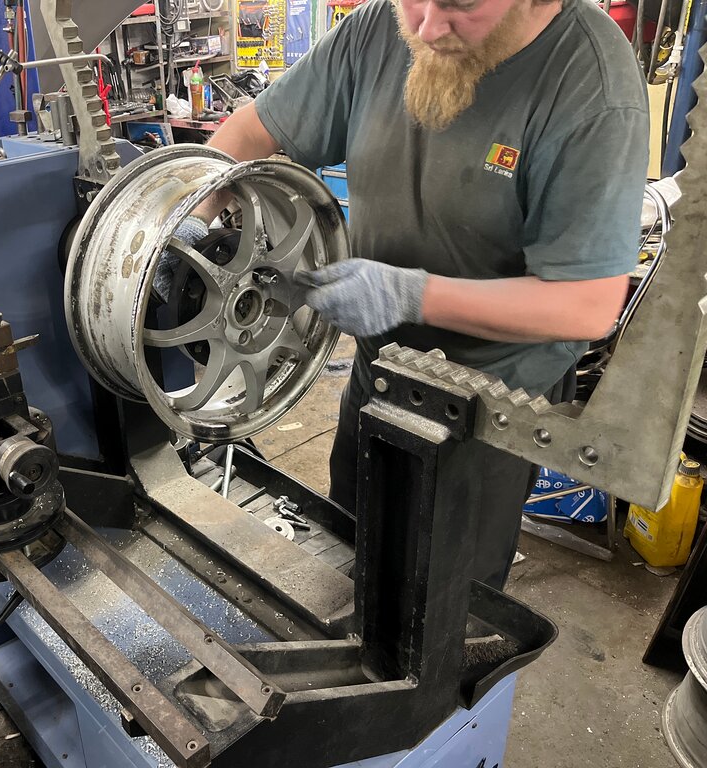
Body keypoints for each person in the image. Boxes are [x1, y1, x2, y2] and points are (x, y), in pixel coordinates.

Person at [175, 0, 649, 588]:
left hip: (491, 404)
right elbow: (249, 132)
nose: (426, 27)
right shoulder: (376, 28)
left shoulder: (589, 81)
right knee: (346, 560)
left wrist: (411, 295)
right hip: (379, 374)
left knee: (447, 606)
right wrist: (191, 217)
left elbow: (587, 305)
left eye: (460, 5)